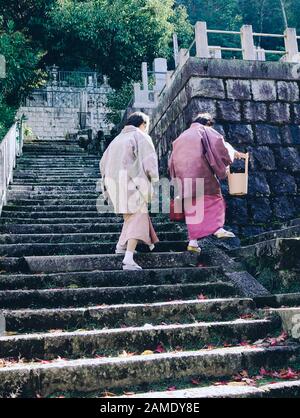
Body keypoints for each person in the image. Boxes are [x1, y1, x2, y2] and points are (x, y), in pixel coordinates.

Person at [168, 112, 247, 254]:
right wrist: (229, 157)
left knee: (192, 207)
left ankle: (193, 242)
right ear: (208, 123)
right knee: (214, 200)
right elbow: (219, 146)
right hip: (201, 171)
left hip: (184, 175)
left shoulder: (180, 137)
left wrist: (176, 177)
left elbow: (171, 159)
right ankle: (218, 229)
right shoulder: (205, 130)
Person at [100, 112, 159, 270]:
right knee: (138, 217)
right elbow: (149, 162)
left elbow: (102, 163)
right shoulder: (140, 136)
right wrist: (153, 180)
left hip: (113, 184)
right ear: (143, 124)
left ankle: (120, 247)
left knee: (130, 218)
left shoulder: (116, 140)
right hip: (132, 182)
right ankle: (128, 258)